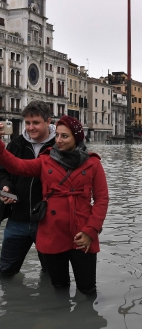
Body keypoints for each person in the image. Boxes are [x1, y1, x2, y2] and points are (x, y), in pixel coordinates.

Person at [0, 115, 109, 294]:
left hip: (82, 234)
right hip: (52, 233)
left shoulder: (93, 163)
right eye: (57, 135)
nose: (58, 140)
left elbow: (101, 200)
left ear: (77, 137)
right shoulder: (46, 161)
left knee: (87, 289)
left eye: (64, 136)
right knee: (59, 287)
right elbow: (17, 166)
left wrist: (91, 231)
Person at [0, 100, 56, 276]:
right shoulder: (15, 144)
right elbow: (2, 173)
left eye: (36, 123)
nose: (31, 128)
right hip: (17, 218)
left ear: (48, 121)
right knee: (5, 271)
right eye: (28, 123)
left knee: (51, 273)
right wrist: (5, 189)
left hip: (48, 221)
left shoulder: (60, 145)